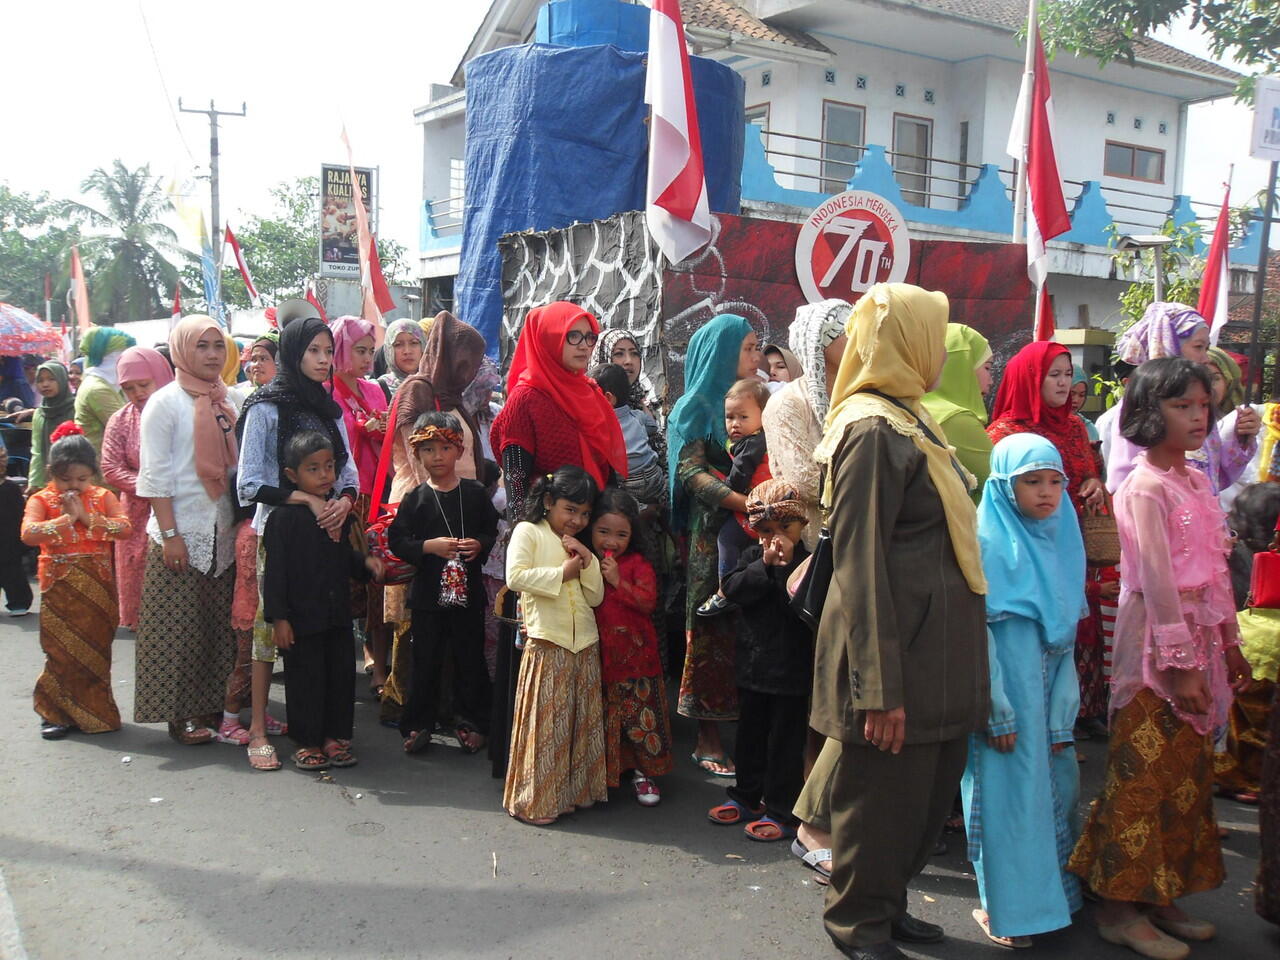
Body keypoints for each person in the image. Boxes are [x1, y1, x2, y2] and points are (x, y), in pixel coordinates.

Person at [811, 283, 988, 960]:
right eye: (934, 336)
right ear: (904, 343)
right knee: (881, 802)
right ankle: (858, 922)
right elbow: (859, 565)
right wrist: (877, 688)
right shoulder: (872, 430)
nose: (943, 351)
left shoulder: (911, 416)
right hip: (896, 656)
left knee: (921, 798)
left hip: (932, 649)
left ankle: (887, 903)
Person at [1068, 357, 1251, 960]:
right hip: (1156, 653)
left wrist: (1227, 645)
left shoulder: (1196, 478)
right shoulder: (1144, 486)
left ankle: (1159, 891)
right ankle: (1120, 907)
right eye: (1182, 406)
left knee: (1187, 779)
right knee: (1142, 777)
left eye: (1203, 405)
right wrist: (1183, 663)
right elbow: (1156, 582)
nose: (1198, 417)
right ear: (1150, 414)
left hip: (1202, 648)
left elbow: (1217, 573)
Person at [488, 302, 626, 777]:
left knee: (588, 650)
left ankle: (583, 765)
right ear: (547, 340)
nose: (585, 347)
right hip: (547, 538)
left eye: (590, 338)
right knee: (545, 656)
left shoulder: (589, 392)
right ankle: (534, 764)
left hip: (588, 535)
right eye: (574, 337)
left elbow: (606, 471)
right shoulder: (525, 401)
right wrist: (552, 536)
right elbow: (519, 483)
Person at [962, 433, 1086, 948]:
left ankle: (1055, 900)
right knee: (1006, 801)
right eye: (1030, 481)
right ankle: (1006, 911)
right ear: (1003, 487)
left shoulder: (1062, 539)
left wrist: (1062, 715)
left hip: (1047, 708)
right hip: (1006, 707)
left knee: (1057, 792)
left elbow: (1067, 643)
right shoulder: (986, 544)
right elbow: (979, 638)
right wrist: (997, 709)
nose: (1045, 493)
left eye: (1054, 481)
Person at [238, 314, 360, 769]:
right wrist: (306, 503)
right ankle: (258, 729)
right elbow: (249, 485)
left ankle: (328, 731)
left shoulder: (329, 408)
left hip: (329, 533)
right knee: (274, 632)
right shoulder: (266, 406)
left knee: (328, 636)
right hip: (283, 533)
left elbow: (347, 472)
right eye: (314, 351)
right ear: (293, 353)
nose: (324, 360)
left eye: (329, 352)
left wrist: (344, 502)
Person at [987, 341, 1111, 729]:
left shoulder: (1075, 427)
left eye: (1067, 374)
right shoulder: (1005, 433)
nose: (1063, 383)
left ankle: (1074, 718)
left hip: (1073, 542)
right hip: (1026, 548)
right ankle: (1028, 720)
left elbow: (1090, 470)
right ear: (1029, 379)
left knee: (1076, 619)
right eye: (1052, 375)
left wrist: (1093, 482)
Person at [134, 316, 241, 745]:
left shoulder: (228, 399)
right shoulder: (165, 403)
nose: (213, 354)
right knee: (179, 628)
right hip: (182, 530)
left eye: (219, 345)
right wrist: (171, 533)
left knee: (217, 626)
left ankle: (213, 707)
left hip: (224, 529)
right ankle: (180, 716)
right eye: (202, 346)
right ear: (182, 350)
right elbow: (155, 476)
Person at [382, 311, 488, 726]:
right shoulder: (418, 392)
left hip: (461, 513)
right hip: (424, 510)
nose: (468, 368)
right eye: (464, 358)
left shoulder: (451, 395)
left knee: (461, 637)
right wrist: (432, 530)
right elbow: (418, 462)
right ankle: (411, 710)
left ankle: (455, 712)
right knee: (418, 631)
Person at [667, 313, 761, 777]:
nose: (757, 357)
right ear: (724, 352)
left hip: (750, 536)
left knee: (749, 631)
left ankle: (746, 732)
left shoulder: (755, 403)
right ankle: (706, 735)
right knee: (710, 629)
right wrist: (745, 502)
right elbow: (691, 474)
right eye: (748, 348)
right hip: (710, 538)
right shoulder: (693, 410)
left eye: (757, 347)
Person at [264, 431, 381, 770]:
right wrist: (280, 619)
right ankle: (308, 741)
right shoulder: (283, 519)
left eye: (329, 467)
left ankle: (335, 738)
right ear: (292, 476)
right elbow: (276, 573)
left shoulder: (335, 513)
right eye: (313, 469)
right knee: (305, 679)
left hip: (336, 614)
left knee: (340, 676)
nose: (324, 475)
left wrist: (365, 564)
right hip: (300, 618)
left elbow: (343, 556)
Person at [388, 411, 498, 755]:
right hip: (428, 597)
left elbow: (489, 530)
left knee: (469, 658)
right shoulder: (416, 498)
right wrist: (428, 547)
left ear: (459, 450)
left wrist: (479, 544)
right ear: (418, 454)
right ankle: (419, 723)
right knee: (426, 660)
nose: (437, 456)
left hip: (467, 594)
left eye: (445, 448)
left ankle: (473, 722)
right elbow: (397, 541)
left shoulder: (476, 493)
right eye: (429, 449)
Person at [709, 478, 812, 841]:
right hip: (753, 668)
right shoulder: (753, 559)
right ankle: (746, 795)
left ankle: (782, 810)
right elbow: (732, 590)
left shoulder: (809, 565)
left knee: (785, 744)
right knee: (749, 737)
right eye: (766, 530)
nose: (775, 538)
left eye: (785, 528)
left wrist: (784, 570)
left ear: (802, 526)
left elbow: (800, 610)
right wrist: (765, 566)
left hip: (792, 673)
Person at [502, 466, 606, 825]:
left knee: (577, 724)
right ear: (547, 502)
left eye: (585, 513)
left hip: (585, 642)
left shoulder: (579, 543)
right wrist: (563, 573)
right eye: (570, 510)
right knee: (547, 726)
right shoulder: (528, 531)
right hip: (548, 640)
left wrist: (588, 559)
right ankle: (537, 802)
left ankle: (571, 795)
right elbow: (514, 577)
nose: (577, 519)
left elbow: (594, 596)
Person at [23, 423, 132, 739]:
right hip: (59, 588)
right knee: (59, 652)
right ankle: (54, 712)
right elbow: (28, 534)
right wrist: (66, 518)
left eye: (82, 479)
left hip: (98, 588)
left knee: (96, 651)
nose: (74, 486)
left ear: (94, 475)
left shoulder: (103, 496)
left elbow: (124, 529)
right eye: (65, 479)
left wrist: (86, 517)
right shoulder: (41, 499)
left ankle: (97, 714)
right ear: (50, 473)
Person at [1107, 302, 1258, 494]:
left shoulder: (1199, 402)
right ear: (1168, 343)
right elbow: (1124, 484)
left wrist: (1240, 437)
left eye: (1206, 347)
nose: (1205, 358)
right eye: (1198, 347)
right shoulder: (1140, 404)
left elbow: (1212, 477)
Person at [589, 486, 673, 805]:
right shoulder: (583, 560)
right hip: (599, 655)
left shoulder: (638, 563)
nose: (611, 542)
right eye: (603, 532)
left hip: (637, 658)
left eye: (621, 535)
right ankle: (610, 772)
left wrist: (617, 582)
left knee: (640, 716)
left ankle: (645, 773)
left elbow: (648, 602)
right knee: (607, 715)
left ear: (632, 535)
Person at [326, 315, 389, 696]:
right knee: (343, 583)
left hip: (378, 493)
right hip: (344, 497)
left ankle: (379, 664)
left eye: (370, 351)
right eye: (359, 350)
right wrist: (362, 430)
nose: (367, 359)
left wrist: (380, 429)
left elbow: (389, 437)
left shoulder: (376, 390)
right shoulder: (326, 394)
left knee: (378, 582)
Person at [762, 299, 850, 551]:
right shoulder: (787, 402)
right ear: (815, 343)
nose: (855, 338)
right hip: (815, 541)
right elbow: (804, 481)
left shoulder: (859, 395)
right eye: (842, 331)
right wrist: (868, 487)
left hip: (864, 531)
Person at [1214, 482, 1280, 804]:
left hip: (1241, 644)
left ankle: (1239, 773)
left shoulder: (1228, 554)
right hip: (1269, 653)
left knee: (1237, 716)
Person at [101, 347, 174, 631]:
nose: (137, 393)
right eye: (129, 388)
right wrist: (151, 487)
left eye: (144, 384)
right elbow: (110, 467)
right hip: (136, 512)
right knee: (139, 579)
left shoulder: (182, 411)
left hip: (179, 507)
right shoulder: (121, 420)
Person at [697, 377, 772, 617]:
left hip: (755, 507)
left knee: (727, 538)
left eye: (743, 417)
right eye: (730, 417)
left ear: (764, 415)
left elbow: (739, 477)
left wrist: (725, 490)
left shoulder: (751, 444)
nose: (735, 424)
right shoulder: (757, 439)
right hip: (764, 507)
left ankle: (725, 590)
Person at [920, 322, 995, 503]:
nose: (991, 380)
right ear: (962, 367)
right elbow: (1004, 485)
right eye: (987, 368)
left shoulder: (917, 408)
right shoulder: (956, 420)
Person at [592, 363, 664, 510]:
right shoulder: (637, 416)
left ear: (608, 398)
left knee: (628, 507)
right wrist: (645, 408)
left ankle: (644, 512)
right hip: (654, 475)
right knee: (661, 503)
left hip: (629, 483)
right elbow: (653, 427)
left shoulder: (601, 426)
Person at [73, 326, 137, 454]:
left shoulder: (106, 385)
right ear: (110, 357)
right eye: (122, 356)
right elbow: (128, 430)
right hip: (101, 467)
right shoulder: (97, 390)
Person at [28, 360, 77, 492]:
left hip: (75, 479)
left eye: (51, 379)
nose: (45, 384)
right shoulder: (40, 413)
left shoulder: (75, 409)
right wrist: (34, 482)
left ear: (62, 380)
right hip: (47, 479)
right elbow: (37, 450)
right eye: (40, 380)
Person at [0, 436, 31, 616]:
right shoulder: (10, 489)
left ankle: (18, 602)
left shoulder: (10, 489)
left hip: (9, 541)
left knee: (13, 573)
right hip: (9, 542)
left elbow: (21, 516)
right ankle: (18, 602)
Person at [377, 317, 427, 402]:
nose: (407, 351)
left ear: (423, 346)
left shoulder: (435, 385)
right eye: (398, 345)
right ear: (389, 350)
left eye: (414, 343)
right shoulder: (378, 389)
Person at [229, 332, 278, 411]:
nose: (256, 365)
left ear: (279, 362)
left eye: (263, 359)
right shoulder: (251, 398)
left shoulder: (290, 398)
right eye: (254, 360)